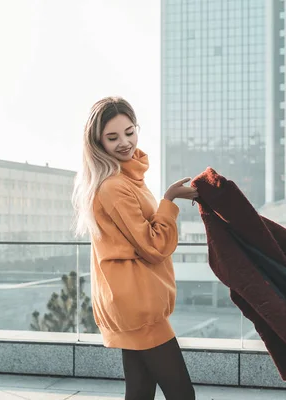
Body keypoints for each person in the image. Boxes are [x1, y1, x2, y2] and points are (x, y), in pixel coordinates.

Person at [72, 96, 197, 399]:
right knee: (182, 394)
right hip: (138, 305)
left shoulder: (126, 179)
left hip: (130, 301)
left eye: (129, 132)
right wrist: (169, 199)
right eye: (112, 137)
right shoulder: (114, 186)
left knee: (140, 392)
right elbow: (153, 245)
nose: (125, 142)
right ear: (98, 142)